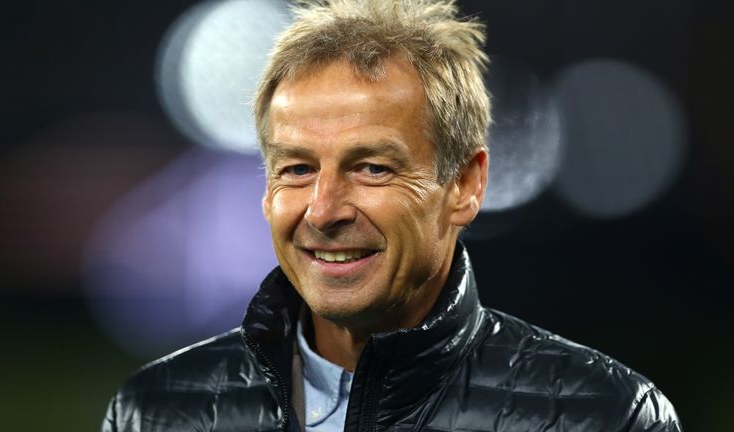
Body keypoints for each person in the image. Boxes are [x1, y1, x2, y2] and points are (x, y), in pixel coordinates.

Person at [101, 1, 682, 431]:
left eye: (373, 168)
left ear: (464, 185)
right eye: (297, 169)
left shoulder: (606, 416)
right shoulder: (155, 411)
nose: (323, 211)